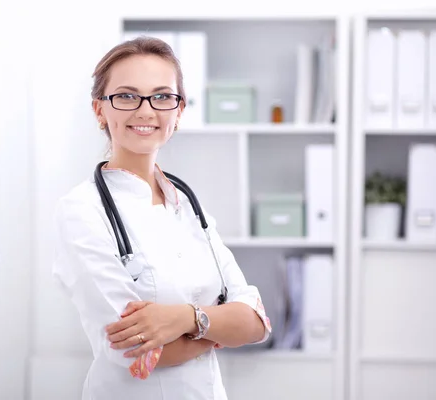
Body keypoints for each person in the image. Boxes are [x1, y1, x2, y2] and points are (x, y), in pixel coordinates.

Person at [52, 36, 272, 400]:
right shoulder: (81, 211)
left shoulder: (187, 206)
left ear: (178, 110)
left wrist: (186, 319)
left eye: (161, 96)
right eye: (125, 96)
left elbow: (256, 323)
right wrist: (217, 327)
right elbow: (139, 354)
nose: (145, 110)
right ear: (99, 110)